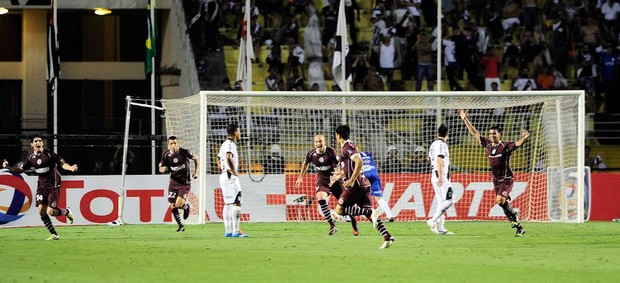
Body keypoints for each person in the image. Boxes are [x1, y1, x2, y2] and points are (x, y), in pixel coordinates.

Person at [459, 109, 528, 237]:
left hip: (507, 178)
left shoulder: (505, 146)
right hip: (496, 180)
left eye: (494, 133)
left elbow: (518, 144)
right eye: (490, 134)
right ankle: (519, 226)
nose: (492, 135)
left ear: (499, 134)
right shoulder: (488, 145)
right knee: (502, 203)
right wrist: (465, 119)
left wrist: (523, 137)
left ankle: (514, 215)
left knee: (500, 201)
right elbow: (475, 133)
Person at [330, 125, 395, 249]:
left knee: (339, 210)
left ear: (338, 135)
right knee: (372, 216)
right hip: (363, 184)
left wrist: (351, 179)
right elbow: (351, 166)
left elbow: (359, 161)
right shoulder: (350, 145)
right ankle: (387, 236)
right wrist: (341, 175)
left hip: (356, 185)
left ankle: (369, 212)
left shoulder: (346, 147)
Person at [2, 135, 76, 240]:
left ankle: (67, 212)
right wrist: (9, 167)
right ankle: (54, 234)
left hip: (53, 185)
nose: (38, 143)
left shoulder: (49, 154)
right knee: (41, 210)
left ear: (42, 143)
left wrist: (71, 168)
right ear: (32, 144)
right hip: (41, 186)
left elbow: (62, 163)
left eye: (40, 141)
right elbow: (21, 169)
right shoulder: (30, 158)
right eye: (36, 141)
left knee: (51, 212)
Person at [295, 134, 358, 236]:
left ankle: (353, 221)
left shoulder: (331, 152)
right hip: (322, 179)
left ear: (324, 142)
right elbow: (305, 162)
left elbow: (337, 169)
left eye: (320, 141)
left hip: (334, 179)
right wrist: (300, 177)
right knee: (320, 197)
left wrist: (336, 177)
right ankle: (332, 226)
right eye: (316, 142)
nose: (318, 144)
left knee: (345, 204)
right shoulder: (311, 153)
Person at [158, 136, 199, 232]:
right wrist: (162, 169)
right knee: (173, 206)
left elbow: (196, 158)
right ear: (168, 145)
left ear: (178, 143)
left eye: (175, 143)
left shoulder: (185, 152)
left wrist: (196, 172)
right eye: (171, 143)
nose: (173, 145)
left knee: (178, 203)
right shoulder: (165, 155)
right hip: (173, 183)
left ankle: (185, 206)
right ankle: (181, 226)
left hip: (184, 184)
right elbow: (161, 167)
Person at [217, 124, 249, 238]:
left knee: (227, 203)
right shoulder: (230, 144)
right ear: (235, 132)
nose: (240, 134)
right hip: (230, 176)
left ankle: (228, 231)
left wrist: (224, 169)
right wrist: (233, 170)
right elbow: (228, 157)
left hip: (224, 176)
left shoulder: (223, 144)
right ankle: (236, 231)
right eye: (239, 132)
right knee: (237, 201)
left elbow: (218, 160)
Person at [426, 124, 455, 235]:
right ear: (448, 134)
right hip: (440, 176)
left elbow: (429, 158)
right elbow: (439, 159)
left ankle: (441, 228)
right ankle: (432, 221)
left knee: (441, 201)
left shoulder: (433, 144)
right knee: (451, 199)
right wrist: (440, 175)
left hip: (434, 175)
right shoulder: (442, 144)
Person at [360, 151, 395, 222]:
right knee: (379, 198)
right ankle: (390, 216)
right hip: (374, 174)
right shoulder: (368, 154)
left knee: (358, 196)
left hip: (365, 175)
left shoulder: (354, 154)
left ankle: (349, 217)